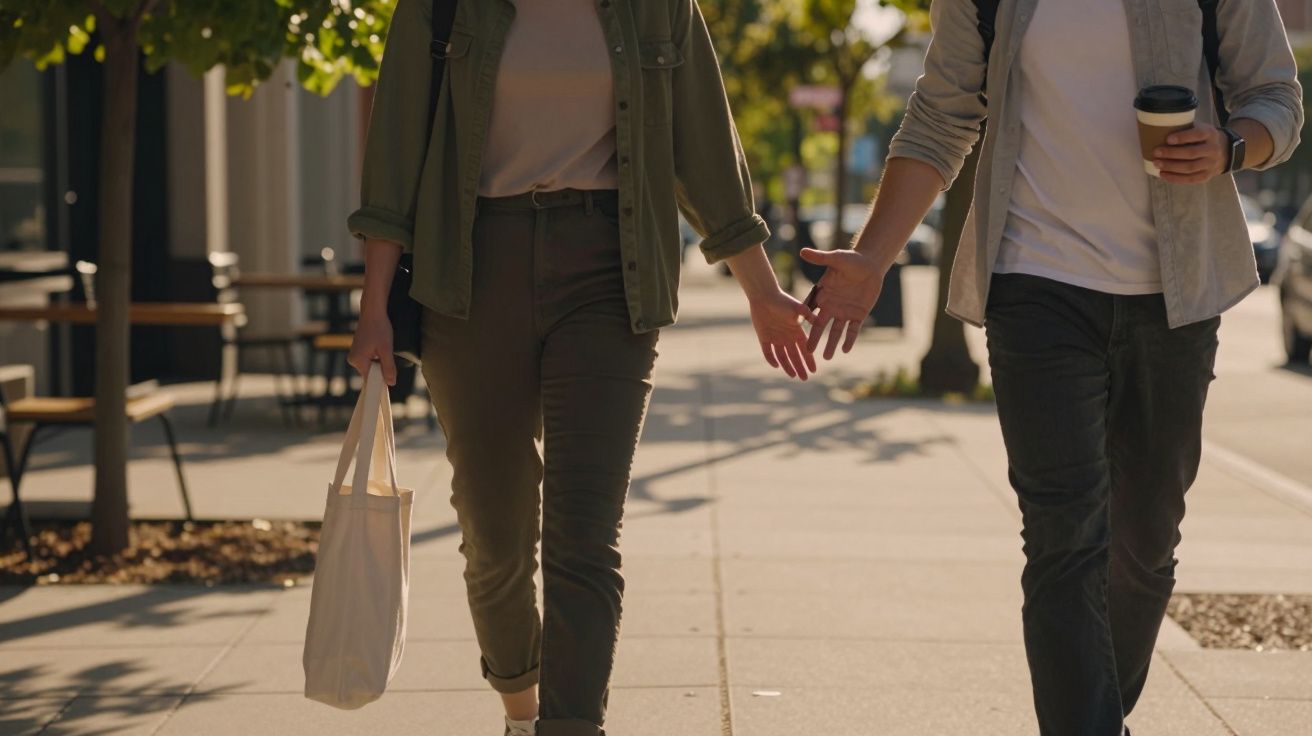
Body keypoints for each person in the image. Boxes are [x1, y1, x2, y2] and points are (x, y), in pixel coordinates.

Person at [800, 1, 1301, 734]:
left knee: (1145, 543)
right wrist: (873, 257)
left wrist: (1230, 148)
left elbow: (1277, 99)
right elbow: (941, 117)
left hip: (1176, 290)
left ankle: (1096, 716)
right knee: (1064, 538)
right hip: (1033, 284)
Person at [344, 1, 814, 734]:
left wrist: (761, 289)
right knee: (495, 535)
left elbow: (706, 149)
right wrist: (374, 305)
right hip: (472, 274)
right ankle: (522, 707)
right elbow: (395, 153)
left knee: (585, 536)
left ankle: (572, 726)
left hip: (610, 271)